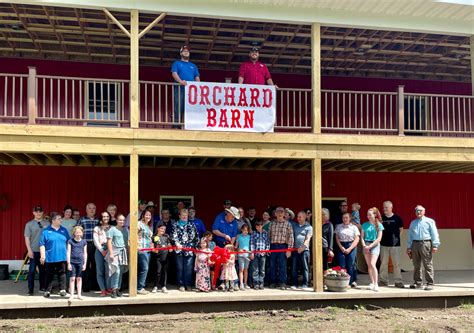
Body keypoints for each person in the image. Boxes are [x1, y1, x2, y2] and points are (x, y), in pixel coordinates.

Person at [407, 205, 440, 291]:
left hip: (425, 243)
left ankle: (430, 283)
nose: (418, 212)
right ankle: (418, 282)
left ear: (424, 211)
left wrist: (435, 245)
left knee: (427, 263)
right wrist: (409, 247)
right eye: (417, 211)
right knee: (416, 264)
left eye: (420, 210)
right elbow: (410, 236)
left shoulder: (430, 221)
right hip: (414, 244)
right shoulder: (413, 223)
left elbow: (434, 233)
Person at [39, 212, 70, 298]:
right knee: (49, 274)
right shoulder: (46, 231)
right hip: (50, 257)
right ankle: (47, 290)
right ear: (53, 220)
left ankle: (62, 290)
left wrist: (68, 255)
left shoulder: (64, 230)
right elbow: (42, 244)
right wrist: (42, 256)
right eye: (59, 219)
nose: (61, 220)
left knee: (62, 273)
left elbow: (68, 243)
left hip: (62, 256)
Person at [171, 45, 200, 125]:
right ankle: (177, 125)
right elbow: (174, 73)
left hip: (191, 91)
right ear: (181, 53)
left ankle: (190, 125)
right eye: (184, 51)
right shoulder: (177, 63)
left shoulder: (193, 66)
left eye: (187, 51)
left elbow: (197, 77)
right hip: (180, 89)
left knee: (190, 108)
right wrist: (180, 81)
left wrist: (198, 86)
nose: (186, 52)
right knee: (178, 107)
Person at [24, 205, 50, 296]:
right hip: (33, 251)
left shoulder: (47, 223)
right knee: (31, 271)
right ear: (33, 213)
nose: (38, 213)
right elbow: (27, 238)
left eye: (40, 211)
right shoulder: (29, 224)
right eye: (36, 211)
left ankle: (42, 287)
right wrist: (29, 250)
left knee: (43, 270)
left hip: (44, 251)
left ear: (42, 212)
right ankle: (30, 290)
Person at [171, 209, 199, 291]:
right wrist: (176, 243)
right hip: (179, 249)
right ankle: (181, 284)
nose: (184, 217)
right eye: (182, 216)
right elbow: (173, 236)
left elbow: (196, 237)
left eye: (186, 216)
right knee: (180, 268)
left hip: (189, 250)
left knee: (188, 268)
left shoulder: (191, 225)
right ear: (179, 216)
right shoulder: (175, 225)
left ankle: (188, 284)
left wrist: (196, 246)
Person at [380, 201, 404, 288]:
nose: (384, 209)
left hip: (395, 245)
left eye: (386, 207)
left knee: (396, 263)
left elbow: (401, 229)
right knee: (383, 263)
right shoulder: (381, 218)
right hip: (383, 244)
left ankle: (398, 281)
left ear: (391, 208)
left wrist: (396, 238)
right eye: (384, 207)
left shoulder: (397, 218)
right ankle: (383, 281)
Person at [269, 206, 294, 290]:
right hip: (273, 246)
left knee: (282, 265)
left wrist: (289, 249)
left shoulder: (288, 224)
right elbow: (268, 237)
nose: (280, 214)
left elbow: (291, 237)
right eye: (278, 212)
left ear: (284, 214)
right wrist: (268, 248)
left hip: (283, 246)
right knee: (272, 265)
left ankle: (282, 282)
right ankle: (273, 282)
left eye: (281, 212)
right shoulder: (272, 223)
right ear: (275, 214)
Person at [77, 202, 99, 292]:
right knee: (85, 265)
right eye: (89, 208)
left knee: (95, 265)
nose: (92, 210)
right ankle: (85, 286)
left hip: (96, 245)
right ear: (86, 210)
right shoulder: (82, 220)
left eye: (93, 208)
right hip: (85, 244)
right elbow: (77, 232)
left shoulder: (98, 220)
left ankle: (95, 285)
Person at [361, 207, 384, 292]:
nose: (368, 216)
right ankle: (372, 282)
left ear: (374, 215)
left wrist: (370, 246)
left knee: (372, 263)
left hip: (374, 245)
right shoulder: (364, 225)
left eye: (370, 214)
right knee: (369, 265)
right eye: (367, 215)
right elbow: (362, 237)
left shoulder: (379, 225)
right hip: (366, 244)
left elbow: (379, 239)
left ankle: (376, 284)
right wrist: (364, 246)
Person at [335, 212, 360, 288]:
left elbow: (357, 238)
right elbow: (337, 237)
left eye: (346, 218)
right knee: (342, 265)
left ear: (350, 218)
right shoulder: (339, 226)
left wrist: (350, 248)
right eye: (343, 218)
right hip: (341, 246)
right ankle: (343, 282)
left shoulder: (354, 227)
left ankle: (350, 282)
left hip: (351, 245)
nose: (345, 219)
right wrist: (340, 246)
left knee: (351, 265)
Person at [106, 214, 128, 298]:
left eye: (123, 220)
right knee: (116, 270)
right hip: (115, 252)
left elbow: (126, 242)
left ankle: (118, 289)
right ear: (116, 220)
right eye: (120, 220)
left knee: (121, 271)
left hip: (123, 252)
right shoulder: (112, 229)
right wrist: (111, 253)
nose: (122, 221)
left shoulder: (125, 230)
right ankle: (113, 290)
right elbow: (109, 241)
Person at [290, 211, 313, 290]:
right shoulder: (294, 225)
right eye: (297, 217)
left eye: (300, 217)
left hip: (305, 250)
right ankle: (294, 284)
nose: (298, 218)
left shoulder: (309, 227)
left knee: (305, 267)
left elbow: (308, 238)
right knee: (294, 267)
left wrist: (302, 247)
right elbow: (288, 218)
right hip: (295, 250)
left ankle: (305, 284)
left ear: (304, 217)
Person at [67, 226, 87, 300]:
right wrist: (68, 263)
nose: (78, 234)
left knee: (79, 278)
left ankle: (79, 294)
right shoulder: (70, 241)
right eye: (77, 232)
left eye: (80, 232)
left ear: (82, 233)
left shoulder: (84, 242)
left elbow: (85, 253)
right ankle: (71, 295)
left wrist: (85, 263)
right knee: (72, 278)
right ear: (74, 233)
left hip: (80, 262)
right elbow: (68, 252)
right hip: (72, 262)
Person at [94, 211, 111, 296]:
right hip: (100, 249)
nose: (106, 218)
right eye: (104, 216)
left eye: (107, 216)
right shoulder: (97, 228)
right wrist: (102, 251)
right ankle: (103, 289)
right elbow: (96, 241)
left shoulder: (112, 228)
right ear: (101, 218)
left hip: (109, 249)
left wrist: (109, 250)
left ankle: (108, 288)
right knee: (100, 271)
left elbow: (113, 240)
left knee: (108, 270)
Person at [151, 222, 171, 294]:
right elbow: (152, 247)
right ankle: (155, 286)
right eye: (162, 228)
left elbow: (169, 245)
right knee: (158, 271)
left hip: (166, 257)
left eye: (164, 229)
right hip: (157, 257)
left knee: (164, 272)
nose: (163, 230)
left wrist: (170, 248)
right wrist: (154, 250)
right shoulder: (154, 237)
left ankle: (163, 286)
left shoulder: (166, 236)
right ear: (158, 229)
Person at [137, 210, 153, 294]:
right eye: (146, 215)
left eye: (149, 215)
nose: (148, 216)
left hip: (148, 250)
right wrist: (136, 245)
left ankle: (141, 286)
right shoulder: (139, 224)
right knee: (144, 268)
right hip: (141, 249)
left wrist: (152, 245)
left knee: (144, 269)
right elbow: (133, 234)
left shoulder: (148, 226)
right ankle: (140, 288)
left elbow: (149, 238)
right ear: (143, 215)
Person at [250, 220, 270, 290]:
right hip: (256, 254)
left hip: (263, 254)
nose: (259, 227)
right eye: (257, 226)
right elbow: (252, 243)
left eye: (260, 225)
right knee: (255, 269)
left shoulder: (265, 233)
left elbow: (267, 243)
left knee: (262, 269)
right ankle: (256, 283)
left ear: (262, 226)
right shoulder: (253, 233)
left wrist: (266, 250)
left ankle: (261, 283)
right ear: (255, 227)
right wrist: (252, 252)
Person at [236, 224, 251, 290]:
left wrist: (251, 253)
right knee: (241, 269)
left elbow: (250, 246)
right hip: (240, 255)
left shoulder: (249, 237)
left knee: (246, 269)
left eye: (247, 230)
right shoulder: (239, 237)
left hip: (247, 255)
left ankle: (245, 283)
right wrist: (238, 251)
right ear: (241, 230)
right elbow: (236, 246)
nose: (246, 231)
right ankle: (241, 283)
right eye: (244, 230)